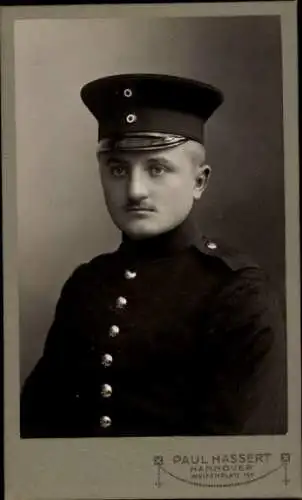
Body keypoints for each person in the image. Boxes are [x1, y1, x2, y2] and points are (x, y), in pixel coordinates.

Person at [20, 73, 287, 438]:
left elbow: (237, 459)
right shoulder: (87, 285)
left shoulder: (237, 292)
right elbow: (33, 431)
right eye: (117, 169)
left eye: (157, 169)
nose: (134, 190)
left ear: (199, 182)